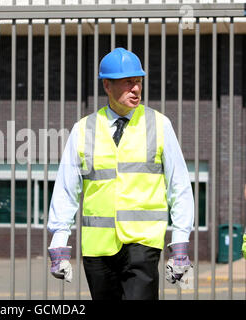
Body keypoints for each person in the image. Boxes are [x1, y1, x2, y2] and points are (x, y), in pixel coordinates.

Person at [47, 47, 195, 300]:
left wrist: (180, 241)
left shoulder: (159, 124)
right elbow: (66, 188)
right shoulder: (84, 129)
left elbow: (179, 185)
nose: (136, 89)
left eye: (138, 82)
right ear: (107, 85)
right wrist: (59, 240)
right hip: (97, 247)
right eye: (128, 83)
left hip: (143, 243)